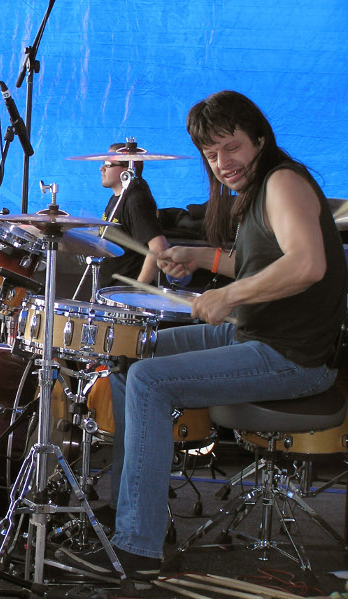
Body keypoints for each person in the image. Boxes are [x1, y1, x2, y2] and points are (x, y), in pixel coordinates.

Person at [64, 91, 346, 585]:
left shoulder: (283, 182)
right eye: (211, 154)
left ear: (259, 139)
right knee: (132, 356)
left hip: (293, 357)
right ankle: (132, 510)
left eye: (231, 147)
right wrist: (199, 258)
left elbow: (307, 264)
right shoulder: (255, 190)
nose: (222, 162)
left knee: (150, 380)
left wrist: (230, 295)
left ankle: (138, 550)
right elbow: (261, 263)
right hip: (253, 334)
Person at [96, 142, 169, 290]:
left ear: (126, 170)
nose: (101, 168)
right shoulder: (116, 199)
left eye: (108, 164)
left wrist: (136, 292)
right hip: (110, 292)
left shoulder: (135, 200)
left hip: (125, 294)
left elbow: (158, 247)